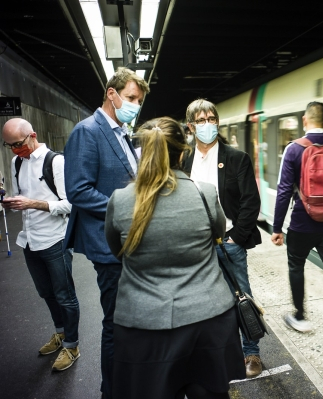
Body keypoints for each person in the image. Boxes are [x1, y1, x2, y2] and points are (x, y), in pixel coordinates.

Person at [105, 117, 244, 399]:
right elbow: (218, 234)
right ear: (183, 152)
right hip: (209, 322)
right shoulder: (204, 194)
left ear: (143, 154)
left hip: (144, 327)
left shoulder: (119, 200)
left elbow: (116, 250)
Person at [63, 67, 149, 398]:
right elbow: (79, 191)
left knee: (127, 321)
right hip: (109, 245)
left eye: (138, 101)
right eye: (130, 98)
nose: (134, 105)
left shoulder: (122, 132)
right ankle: (112, 391)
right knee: (115, 324)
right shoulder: (88, 131)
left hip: (127, 242)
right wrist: (129, 209)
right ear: (110, 94)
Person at [181, 98, 264, 378]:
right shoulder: (184, 160)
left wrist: (236, 238)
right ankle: (213, 353)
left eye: (211, 119)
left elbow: (251, 202)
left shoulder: (236, 158)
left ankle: (251, 352)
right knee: (202, 301)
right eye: (201, 121)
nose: (208, 125)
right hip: (196, 245)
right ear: (191, 126)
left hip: (228, 243)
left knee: (241, 296)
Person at [270, 101, 323, 349]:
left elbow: (284, 191)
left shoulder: (294, 149)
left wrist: (277, 228)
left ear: (304, 121)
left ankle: (300, 316)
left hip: (301, 223)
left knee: (296, 267)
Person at [1, 118, 80, 371]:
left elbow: (71, 204)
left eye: (18, 144)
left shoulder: (56, 162)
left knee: (65, 296)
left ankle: (72, 345)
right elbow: (23, 199)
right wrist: (11, 202)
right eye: (9, 145)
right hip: (30, 241)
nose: (15, 150)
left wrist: (33, 203)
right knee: (46, 293)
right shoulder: (17, 162)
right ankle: (60, 334)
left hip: (55, 240)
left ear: (32, 135)